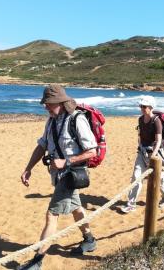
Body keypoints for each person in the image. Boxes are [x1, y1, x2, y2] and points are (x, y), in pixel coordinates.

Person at [18, 85, 98, 269]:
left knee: (52, 215)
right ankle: (89, 239)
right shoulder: (51, 121)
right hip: (58, 175)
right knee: (76, 208)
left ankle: (36, 262)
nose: (45, 107)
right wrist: (28, 168)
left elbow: (92, 151)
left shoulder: (76, 119)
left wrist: (66, 161)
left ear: (59, 102)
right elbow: (41, 146)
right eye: (45, 103)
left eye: (48, 103)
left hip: (71, 176)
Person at [120, 95, 164, 213]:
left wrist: (153, 155)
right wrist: (140, 147)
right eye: (141, 106)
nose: (142, 108)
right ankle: (131, 204)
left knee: (159, 178)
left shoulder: (156, 121)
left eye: (144, 106)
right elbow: (140, 135)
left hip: (155, 154)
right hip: (142, 152)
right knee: (136, 177)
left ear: (151, 107)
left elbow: (158, 140)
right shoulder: (140, 119)